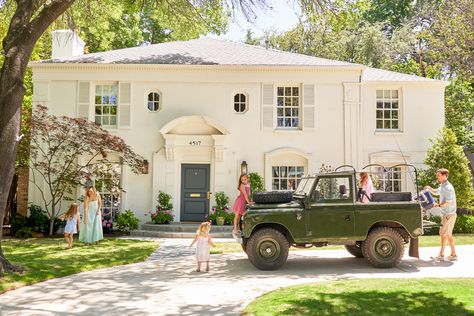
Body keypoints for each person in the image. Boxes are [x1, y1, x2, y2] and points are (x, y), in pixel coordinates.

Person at [425, 168, 458, 261]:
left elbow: (448, 202)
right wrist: (429, 188)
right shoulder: (443, 186)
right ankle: (453, 254)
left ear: (445, 176)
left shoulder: (448, 188)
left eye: (439, 175)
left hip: (449, 214)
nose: (437, 177)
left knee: (444, 234)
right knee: (447, 234)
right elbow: (436, 192)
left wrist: (438, 205)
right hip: (446, 214)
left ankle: (441, 254)